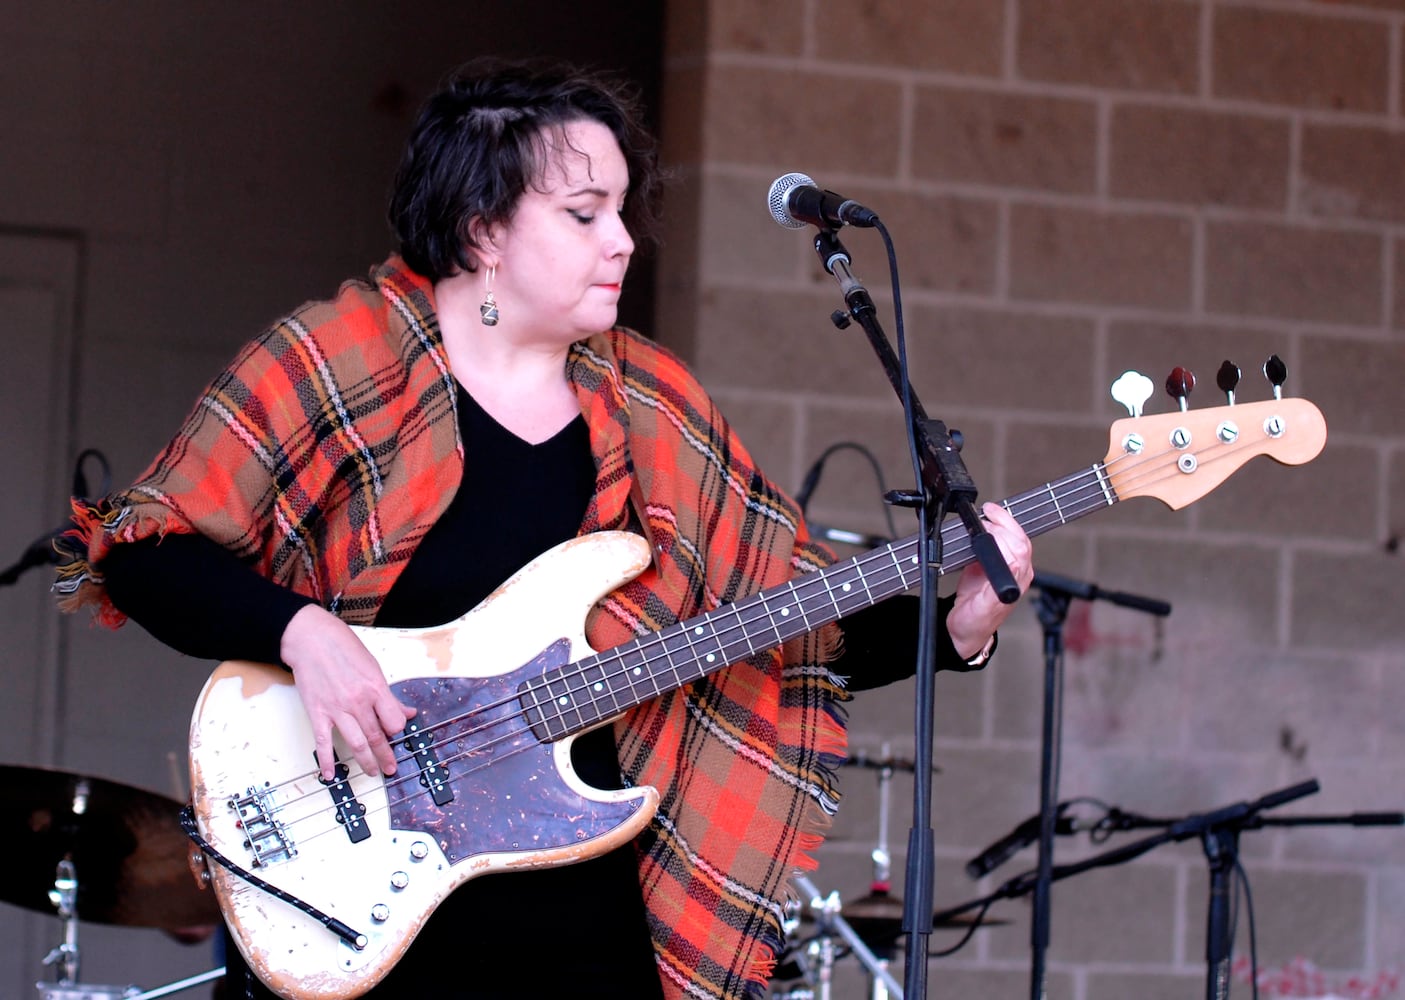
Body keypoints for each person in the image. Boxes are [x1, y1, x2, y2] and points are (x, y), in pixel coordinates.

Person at [55, 58, 1032, 1000]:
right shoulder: (335, 361)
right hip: (351, 910)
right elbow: (143, 551)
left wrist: (959, 628)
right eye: (583, 214)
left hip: (583, 932)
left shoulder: (657, 411)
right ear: (483, 229)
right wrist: (303, 633)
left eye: (619, 210)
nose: (623, 241)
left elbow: (784, 629)